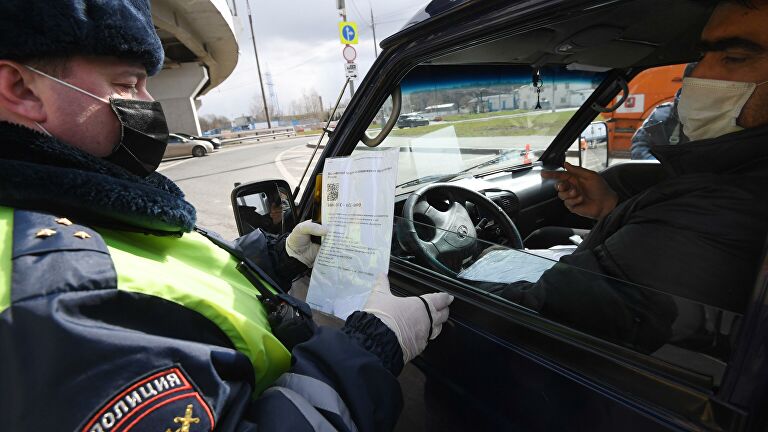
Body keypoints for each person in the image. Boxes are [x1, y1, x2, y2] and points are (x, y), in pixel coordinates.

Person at [0, 1, 453, 431]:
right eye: (127, 84)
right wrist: (370, 347)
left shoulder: (74, 209)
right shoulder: (54, 297)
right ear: (21, 89)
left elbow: (170, 283)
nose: (149, 103)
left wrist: (278, 258)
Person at [494, 0, 768, 354]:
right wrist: (613, 208)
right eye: (701, 56)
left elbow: (533, 317)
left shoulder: (722, 210)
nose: (695, 75)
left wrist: (445, 289)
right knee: (545, 236)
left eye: (735, 57)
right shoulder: (734, 180)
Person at [630, 63, 696, 160]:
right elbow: (640, 146)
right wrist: (659, 165)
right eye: (699, 82)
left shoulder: (721, 120)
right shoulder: (661, 116)